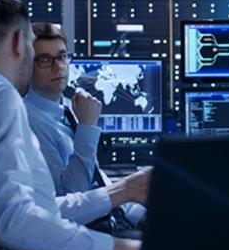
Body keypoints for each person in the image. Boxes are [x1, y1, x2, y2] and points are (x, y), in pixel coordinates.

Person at [0, 0, 147, 250]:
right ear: (16, 41)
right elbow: (13, 220)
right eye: (31, 44)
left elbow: (39, 209)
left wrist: (123, 193)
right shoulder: (0, 100)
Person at [24, 22, 146, 228]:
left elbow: (96, 179)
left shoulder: (67, 108)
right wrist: (87, 127)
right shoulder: (30, 122)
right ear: (26, 67)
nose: (58, 66)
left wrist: (138, 214)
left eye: (62, 56)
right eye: (45, 60)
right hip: (81, 234)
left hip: (112, 221)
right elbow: (71, 197)